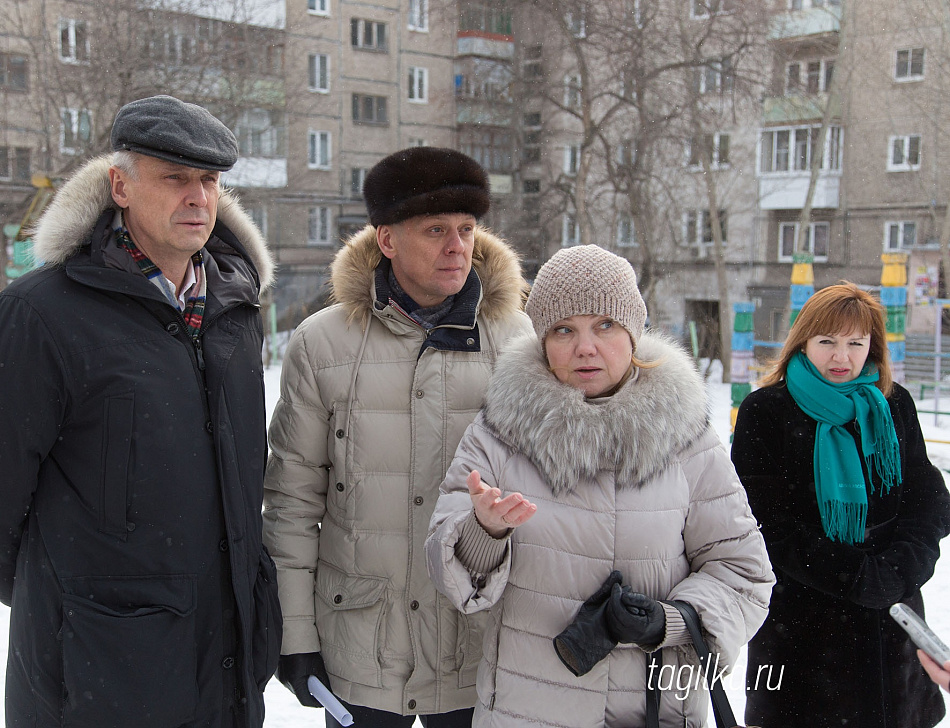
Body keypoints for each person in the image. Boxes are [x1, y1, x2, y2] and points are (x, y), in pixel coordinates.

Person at [0, 95, 280, 728]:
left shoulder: (236, 312)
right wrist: (78, 605)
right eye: (175, 178)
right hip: (97, 676)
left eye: (209, 181)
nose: (199, 197)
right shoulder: (42, 313)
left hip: (225, 664)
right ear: (119, 186)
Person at [425, 244, 774, 727]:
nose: (585, 347)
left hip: (655, 710)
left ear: (633, 332)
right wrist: (484, 533)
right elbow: (451, 575)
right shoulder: (498, 432)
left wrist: (667, 622)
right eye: (564, 330)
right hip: (528, 710)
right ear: (543, 340)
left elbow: (743, 573)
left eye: (605, 325)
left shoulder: (687, 438)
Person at [263, 147, 533, 727]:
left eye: (466, 229)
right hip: (360, 643)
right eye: (435, 230)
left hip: (474, 644)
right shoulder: (322, 344)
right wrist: (293, 633)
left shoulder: (516, 341)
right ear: (386, 240)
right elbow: (291, 501)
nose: (458, 247)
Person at [732, 281, 950, 728]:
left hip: (895, 623)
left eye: (856, 343)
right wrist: (851, 575)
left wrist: (896, 572)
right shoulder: (766, 411)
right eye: (827, 341)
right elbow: (761, 523)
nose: (841, 357)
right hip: (803, 627)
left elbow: (928, 505)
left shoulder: (893, 405)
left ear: (872, 346)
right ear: (803, 341)